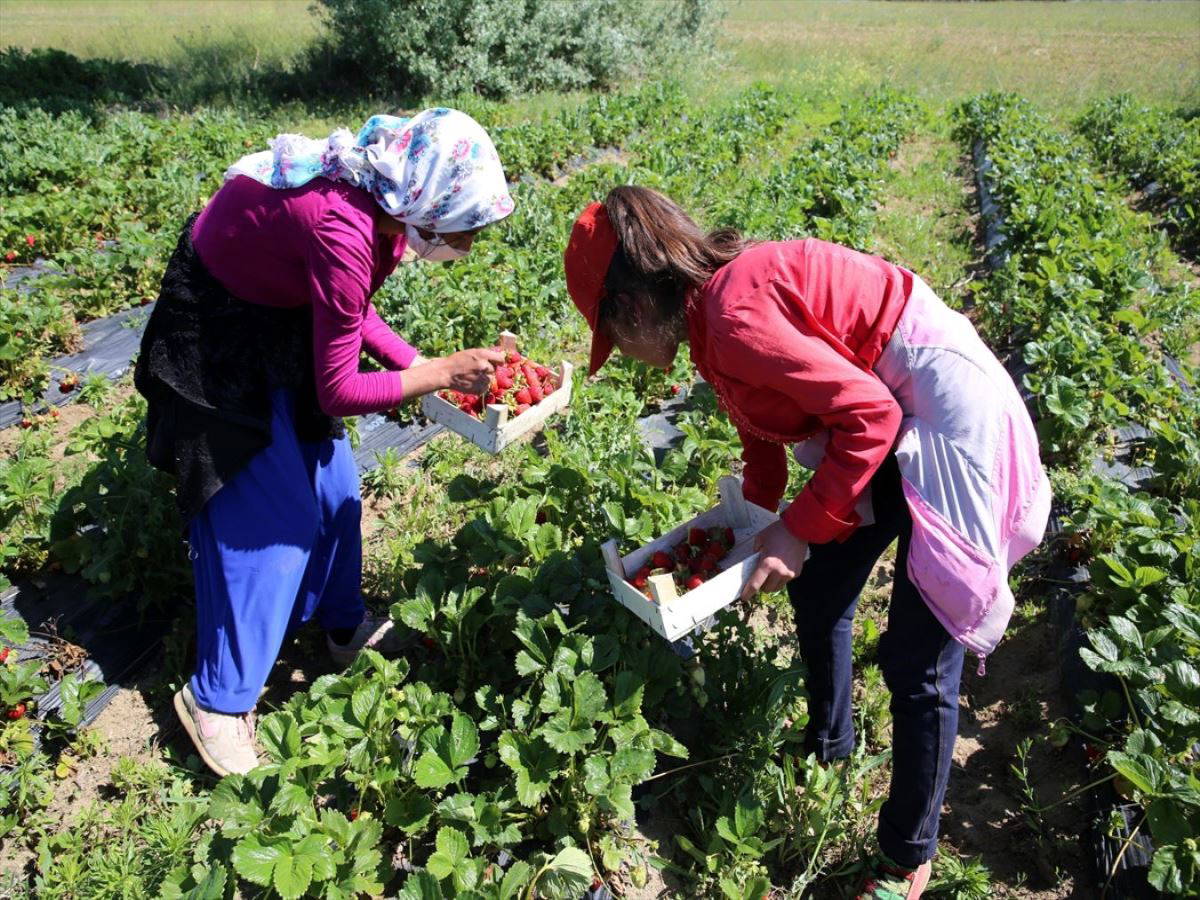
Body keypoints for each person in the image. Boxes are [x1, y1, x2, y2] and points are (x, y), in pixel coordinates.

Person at [563, 186, 1050, 899]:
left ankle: (905, 858)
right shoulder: (710, 322)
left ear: (633, 306)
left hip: (944, 413)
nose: (627, 357)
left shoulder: (731, 316)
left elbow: (870, 416)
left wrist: (794, 530)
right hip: (887, 406)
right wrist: (737, 538)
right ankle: (829, 747)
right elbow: (761, 435)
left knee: (917, 657)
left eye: (614, 339)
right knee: (821, 590)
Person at [135, 108, 513, 777]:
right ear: (429, 201)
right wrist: (432, 374)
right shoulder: (346, 223)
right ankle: (217, 700)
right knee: (269, 520)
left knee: (336, 488)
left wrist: (423, 369)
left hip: (281, 305)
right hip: (222, 319)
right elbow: (340, 390)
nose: (469, 245)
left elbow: (352, 306)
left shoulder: (387, 206)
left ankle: (342, 627)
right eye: (465, 230)